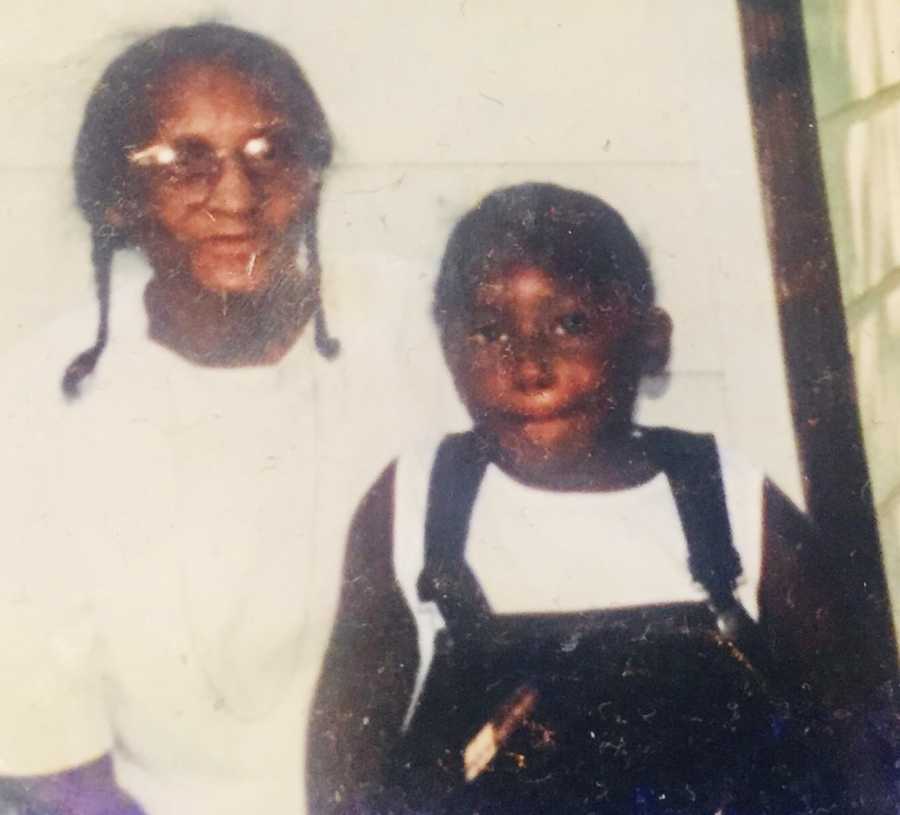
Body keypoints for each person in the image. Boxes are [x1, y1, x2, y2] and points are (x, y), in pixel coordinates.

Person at [307, 183, 863, 813]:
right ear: (449, 348)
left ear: (651, 339)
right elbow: (343, 759)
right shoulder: (418, 500)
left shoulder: (724, 498)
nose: (530, 368)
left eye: (571, 323)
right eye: (490, 331)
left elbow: (861, 728)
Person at [0, 22, 401, 815]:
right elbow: (47, 743)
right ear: (118, 194)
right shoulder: (36, 397)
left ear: (314, 176)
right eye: (186, 161)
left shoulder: (406, 330)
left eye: (270, 153)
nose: (236, 197)